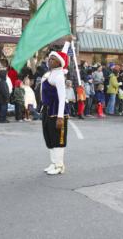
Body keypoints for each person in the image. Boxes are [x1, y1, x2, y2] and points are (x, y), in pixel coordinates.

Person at [41, 39, 71, 175]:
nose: (50, 60)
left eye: (53, 59)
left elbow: (61, 97)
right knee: (49, 137)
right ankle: (53, 163)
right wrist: (67, 43)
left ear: (59, 63)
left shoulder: (59, 76)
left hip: (56, 110)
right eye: (50, 58)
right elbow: (63, 54)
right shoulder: (51, 73)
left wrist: (60, 117)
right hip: (47, 109)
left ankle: (59, 166)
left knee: (58, 138)